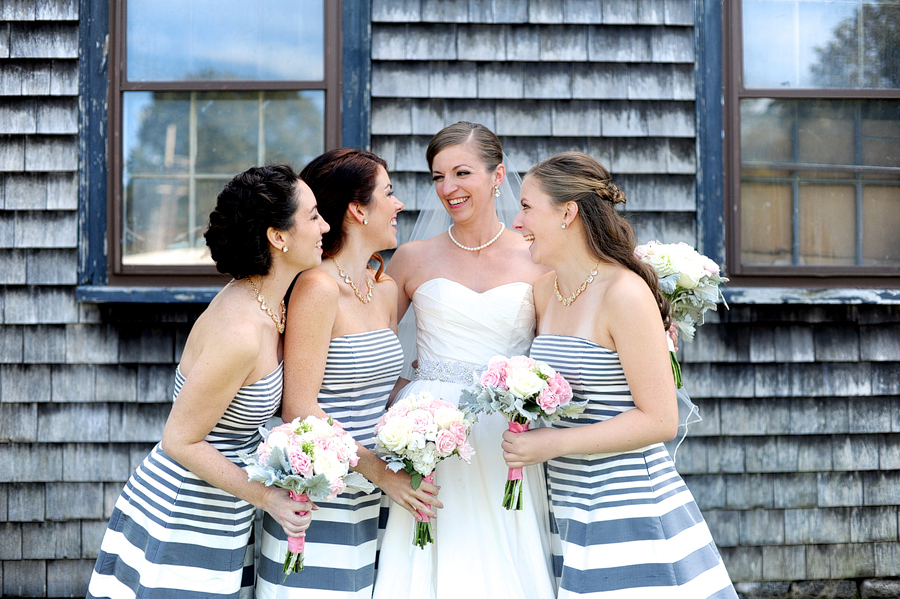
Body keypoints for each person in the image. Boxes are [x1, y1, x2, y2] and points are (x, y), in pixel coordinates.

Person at [87, 164, 327, 599]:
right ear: (279, 236)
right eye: (313, 216)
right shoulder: (240, 331)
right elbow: (180, 440)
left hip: (224, 511)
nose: (325, 225)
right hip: (182, 514)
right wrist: (270, 499)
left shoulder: (269, 304)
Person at [505, 151, 737, 597]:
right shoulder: (543, 290)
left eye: (527, 207)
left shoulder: (624, 294)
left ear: (567, 213)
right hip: (564, 500)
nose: (517, 221)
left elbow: (660, 420)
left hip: (626, 501)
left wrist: (551, 443)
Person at [373, 122, 557, 599]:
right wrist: (405, 401)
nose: (448, 188)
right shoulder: (411, 258)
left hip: (507, 433)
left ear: (498, 176)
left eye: (461, 173)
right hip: (427, 435)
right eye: (437, 177)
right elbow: (371, 346)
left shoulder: (538, 257)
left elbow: (559, 346)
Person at [254, 149, 441, 598]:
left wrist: (437, 416)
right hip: (321, 492)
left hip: (374, 496)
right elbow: (300, 406)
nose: (399, 205)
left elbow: (381, 387)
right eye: (389, 193)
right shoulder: (319, 288)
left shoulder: (383, 287)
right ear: (358, 209)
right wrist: (380, 471)